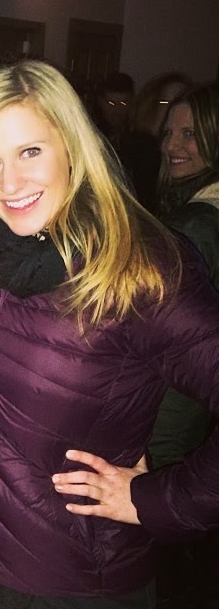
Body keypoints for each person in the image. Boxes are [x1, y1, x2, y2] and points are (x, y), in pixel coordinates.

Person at [0, 59, 219, 608]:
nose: (9, 183)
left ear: (71, 145)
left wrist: (157, 499)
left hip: (78, 583)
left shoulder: (138, 265)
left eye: (30, 152)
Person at [147, 83, 219, 608]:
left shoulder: (196, 225)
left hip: (167, 411)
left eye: (191, 133)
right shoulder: (194, 212)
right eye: (169, 132)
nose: (174, 145)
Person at [117, 72, 193, 213]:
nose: (173, 109)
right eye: (165, 102)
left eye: (180, 101)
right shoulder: (133, 152)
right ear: (149, 106)